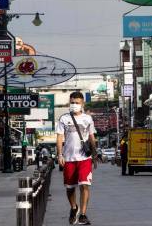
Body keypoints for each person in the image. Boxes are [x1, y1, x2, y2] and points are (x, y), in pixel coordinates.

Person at [56, 91, 97, 225]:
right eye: (72, 102)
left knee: (84, 185)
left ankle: (83, 215)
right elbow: (59, 137)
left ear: (82, 103)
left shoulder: (88, 119)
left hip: (84, 158)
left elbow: (91, 137)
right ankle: (74, 208)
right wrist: (60, 154)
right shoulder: (63, 118)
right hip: (68, 158)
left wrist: (95, 154)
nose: (74, 105)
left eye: (77, 103)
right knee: (70, 188)